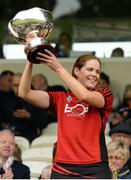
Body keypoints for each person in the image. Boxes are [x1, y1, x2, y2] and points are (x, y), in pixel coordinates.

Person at [18, 47, 113, 178]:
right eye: (90, 69)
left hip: (95, 167)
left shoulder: (104, 94)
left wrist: (58, 68)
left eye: (98, 71)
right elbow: (24, 93)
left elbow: (85, 96)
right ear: (77, 71)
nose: (95, 75)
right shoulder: (60, 98)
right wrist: (30, 60)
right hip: (63, 168)